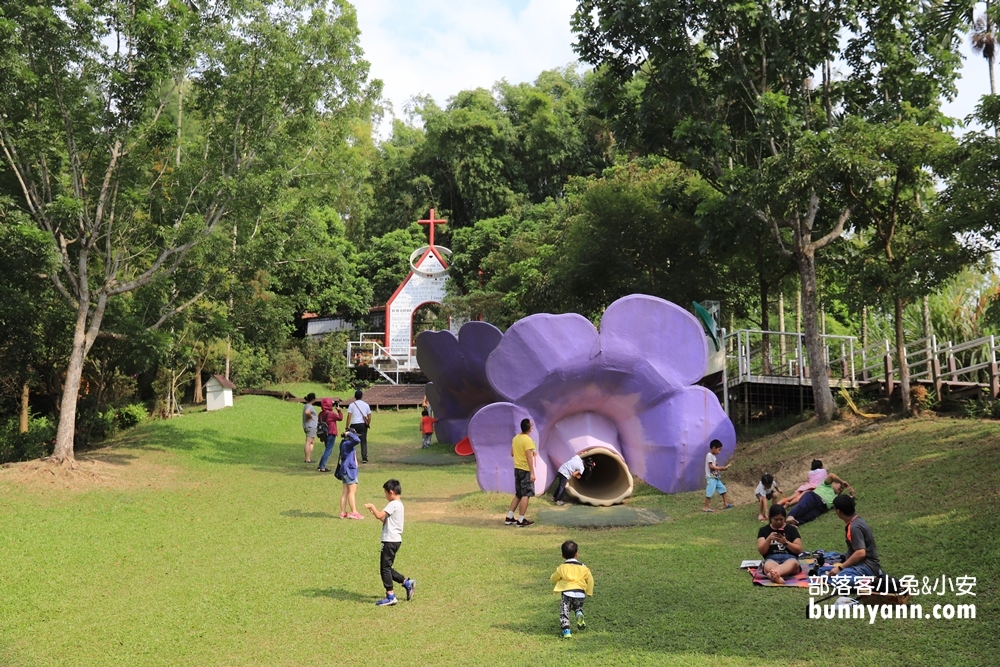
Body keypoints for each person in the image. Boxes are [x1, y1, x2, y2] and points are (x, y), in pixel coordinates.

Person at [364, 479, 415, 606]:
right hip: (395, 540)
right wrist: (376, 514)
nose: (386, 496)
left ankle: (390, 596)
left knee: (385, 569)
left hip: (389, 540)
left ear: (391, 492)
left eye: (386, 493)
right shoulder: (400, 505)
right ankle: (406, 582)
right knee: (387, 567)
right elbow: (385, 520)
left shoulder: (393, 504)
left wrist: (373, 508)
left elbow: (379, 514)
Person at [828, 495, 882, 585]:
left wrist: (840, 568)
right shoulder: (856, 521)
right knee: (823, 571)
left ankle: (873, 581)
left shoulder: (855, 527)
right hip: (858, 564)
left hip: (867, 566)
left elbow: (860, 553)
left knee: (840, 580)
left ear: (838, 511)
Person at [550, 540, 594, 638]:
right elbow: (590, 579)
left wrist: (557, 578)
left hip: (567, 594)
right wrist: (589, 592)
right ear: (576, 554)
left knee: (565, 611)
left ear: (562, 555)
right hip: (580, 593)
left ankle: (566, 631)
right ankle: (578, 612)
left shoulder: (562, 568)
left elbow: (553, 578)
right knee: (577, 606)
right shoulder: (583, 567)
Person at [756, 504, 803, 585]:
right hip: (771, 559)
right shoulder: (763, 530)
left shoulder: (791, 529)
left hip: (789, 558)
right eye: (776, 519)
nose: (779, 522)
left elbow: (799, 549)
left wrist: (786, 543)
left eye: (781, 519)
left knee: (793, 563)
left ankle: (774, 574)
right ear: (770, 518)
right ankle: (778, 576)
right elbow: (762, 551)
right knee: (767, 564)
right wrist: (769, 539)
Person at [786, 472, 853, 526]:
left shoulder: (836, 497)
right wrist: (842, 482)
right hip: (813, 497)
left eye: (842, 489)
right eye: (840, 486)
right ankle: (791, 516)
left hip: (821, 508)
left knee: (809, 516)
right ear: (833, 483)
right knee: (803, 505)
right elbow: (831, 475)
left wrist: (851, 494)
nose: (841, 488)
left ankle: (792, 524)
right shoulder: (826, 484)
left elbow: (845, 502)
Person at [505, 418, 537, 527]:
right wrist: (532, 472)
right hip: (525, 469)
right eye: (531, 425)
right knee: (526, 494)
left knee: (518, 494)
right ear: (530, 428)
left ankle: (509, 517)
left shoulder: (515, 438)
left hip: (517, 469)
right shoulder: (528, 440)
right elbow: (529, 457)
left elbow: (512, 453)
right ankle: (521, 520)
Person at [338, 428, 363, 519]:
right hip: (350, 471)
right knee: (352, 492)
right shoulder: (348, 444)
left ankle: (343, 512)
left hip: (344, 470)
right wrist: (349, 433)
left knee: (345, 492)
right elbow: (357, 440)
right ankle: (354, 512)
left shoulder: (343, 444)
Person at [702, 439, 732, 512]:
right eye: (719, 450)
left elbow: (714, 466)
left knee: (723, 489)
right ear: (714, 448)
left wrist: (718, 466)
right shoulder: (709, 455)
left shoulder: (713, 456)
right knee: (710, 492)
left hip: (715, 478)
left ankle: (726, 504)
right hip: (711, 478)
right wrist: (720, 468)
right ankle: (705, 507)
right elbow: (711, 466)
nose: (719, 452)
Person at [316, 398, 343, 472]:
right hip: (331, 433)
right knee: (328, 450)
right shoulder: (331, 414)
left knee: (327, 450)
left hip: (324, 434)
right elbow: (340, 418)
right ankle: (322, 467)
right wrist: (339, 410)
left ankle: (320, 465)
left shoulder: (320, 414)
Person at [347, 389, 372, 463]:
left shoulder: (351, 405)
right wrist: (368, 423)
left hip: (354, 424)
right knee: (363, 441)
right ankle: (364, 458)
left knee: (352, 440)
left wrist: (346, 426)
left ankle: (351, 456)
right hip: (362, 425)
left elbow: (349, 417)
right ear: (362, 396)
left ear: (355, 396)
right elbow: (369, 416)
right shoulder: (366, 405)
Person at [301, 393, 318, 463]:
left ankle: (308, 457)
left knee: (311, 442)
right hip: (310, 426)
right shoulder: (309, 406)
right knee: (308, 441)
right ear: (313, 399)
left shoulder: (307, 405)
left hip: (309, 426)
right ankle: (307, 458)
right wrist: (310, 417)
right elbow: (307, 412)